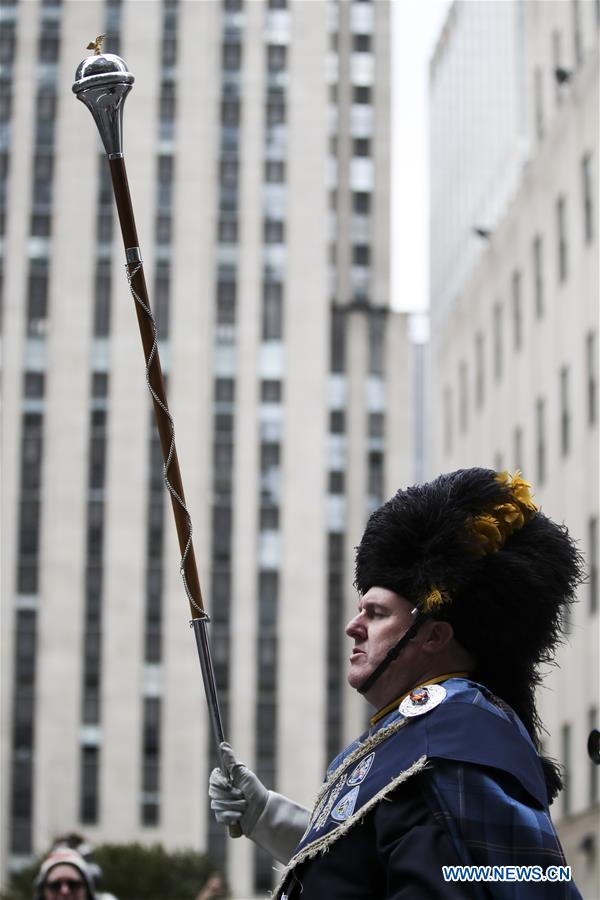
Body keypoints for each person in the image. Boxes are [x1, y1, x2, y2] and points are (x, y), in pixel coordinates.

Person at [209, 468, 585, 898]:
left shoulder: (453, 735)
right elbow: (374, 867)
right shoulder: (422, 734)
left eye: (377, 613)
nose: (354, 626)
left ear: (433, 636)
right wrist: (265, 815)